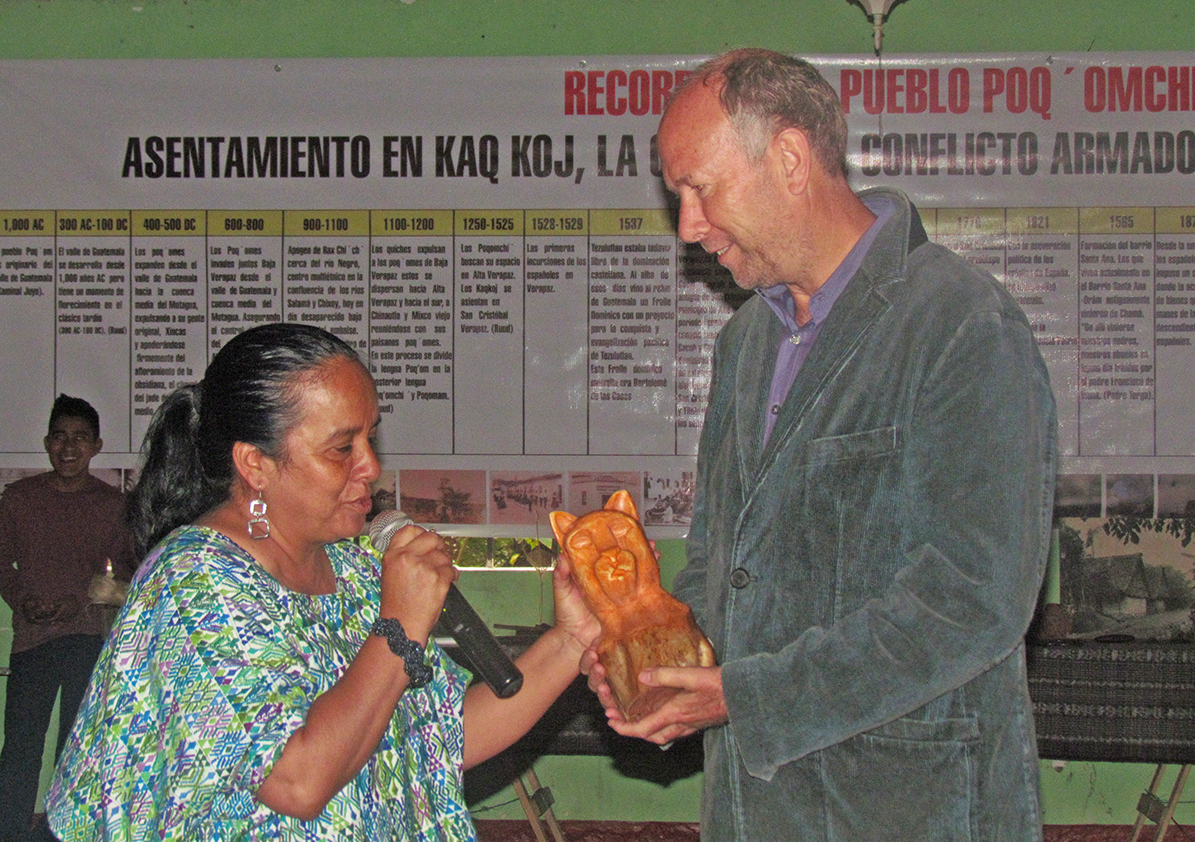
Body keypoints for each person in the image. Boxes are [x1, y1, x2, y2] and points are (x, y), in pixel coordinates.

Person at [583, 49, 1058, 841]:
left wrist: (747, 698)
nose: (689, 228)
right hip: (756, 809)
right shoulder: (744, 344)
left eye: (699, 189)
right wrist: (662, 657)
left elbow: (973, 598)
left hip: (909, 809)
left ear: (791, 158)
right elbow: (718, 561)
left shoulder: (959, 325)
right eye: (677, 199)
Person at [45, 323, 600, 841]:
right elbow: (296, 781)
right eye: (342, 448)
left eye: (369, 439)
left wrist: (570, 640)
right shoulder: (194, 582)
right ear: (255, 464)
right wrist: (401, 624)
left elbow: (441, 740)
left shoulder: (355, 569)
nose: (371, 468)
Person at [0, 395, 136, 842]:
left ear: (96, 446)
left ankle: (64, 835)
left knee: (74, 752)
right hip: (32, 639)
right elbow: (2, 564)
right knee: (20, 750)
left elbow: (126, 572)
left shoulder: (113, 505)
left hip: (86, 640)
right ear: (46, 443)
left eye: (80, 438)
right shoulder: (18, 499)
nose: (69, 447)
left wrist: (78, 601)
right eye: (60, 436)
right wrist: (23, 600)